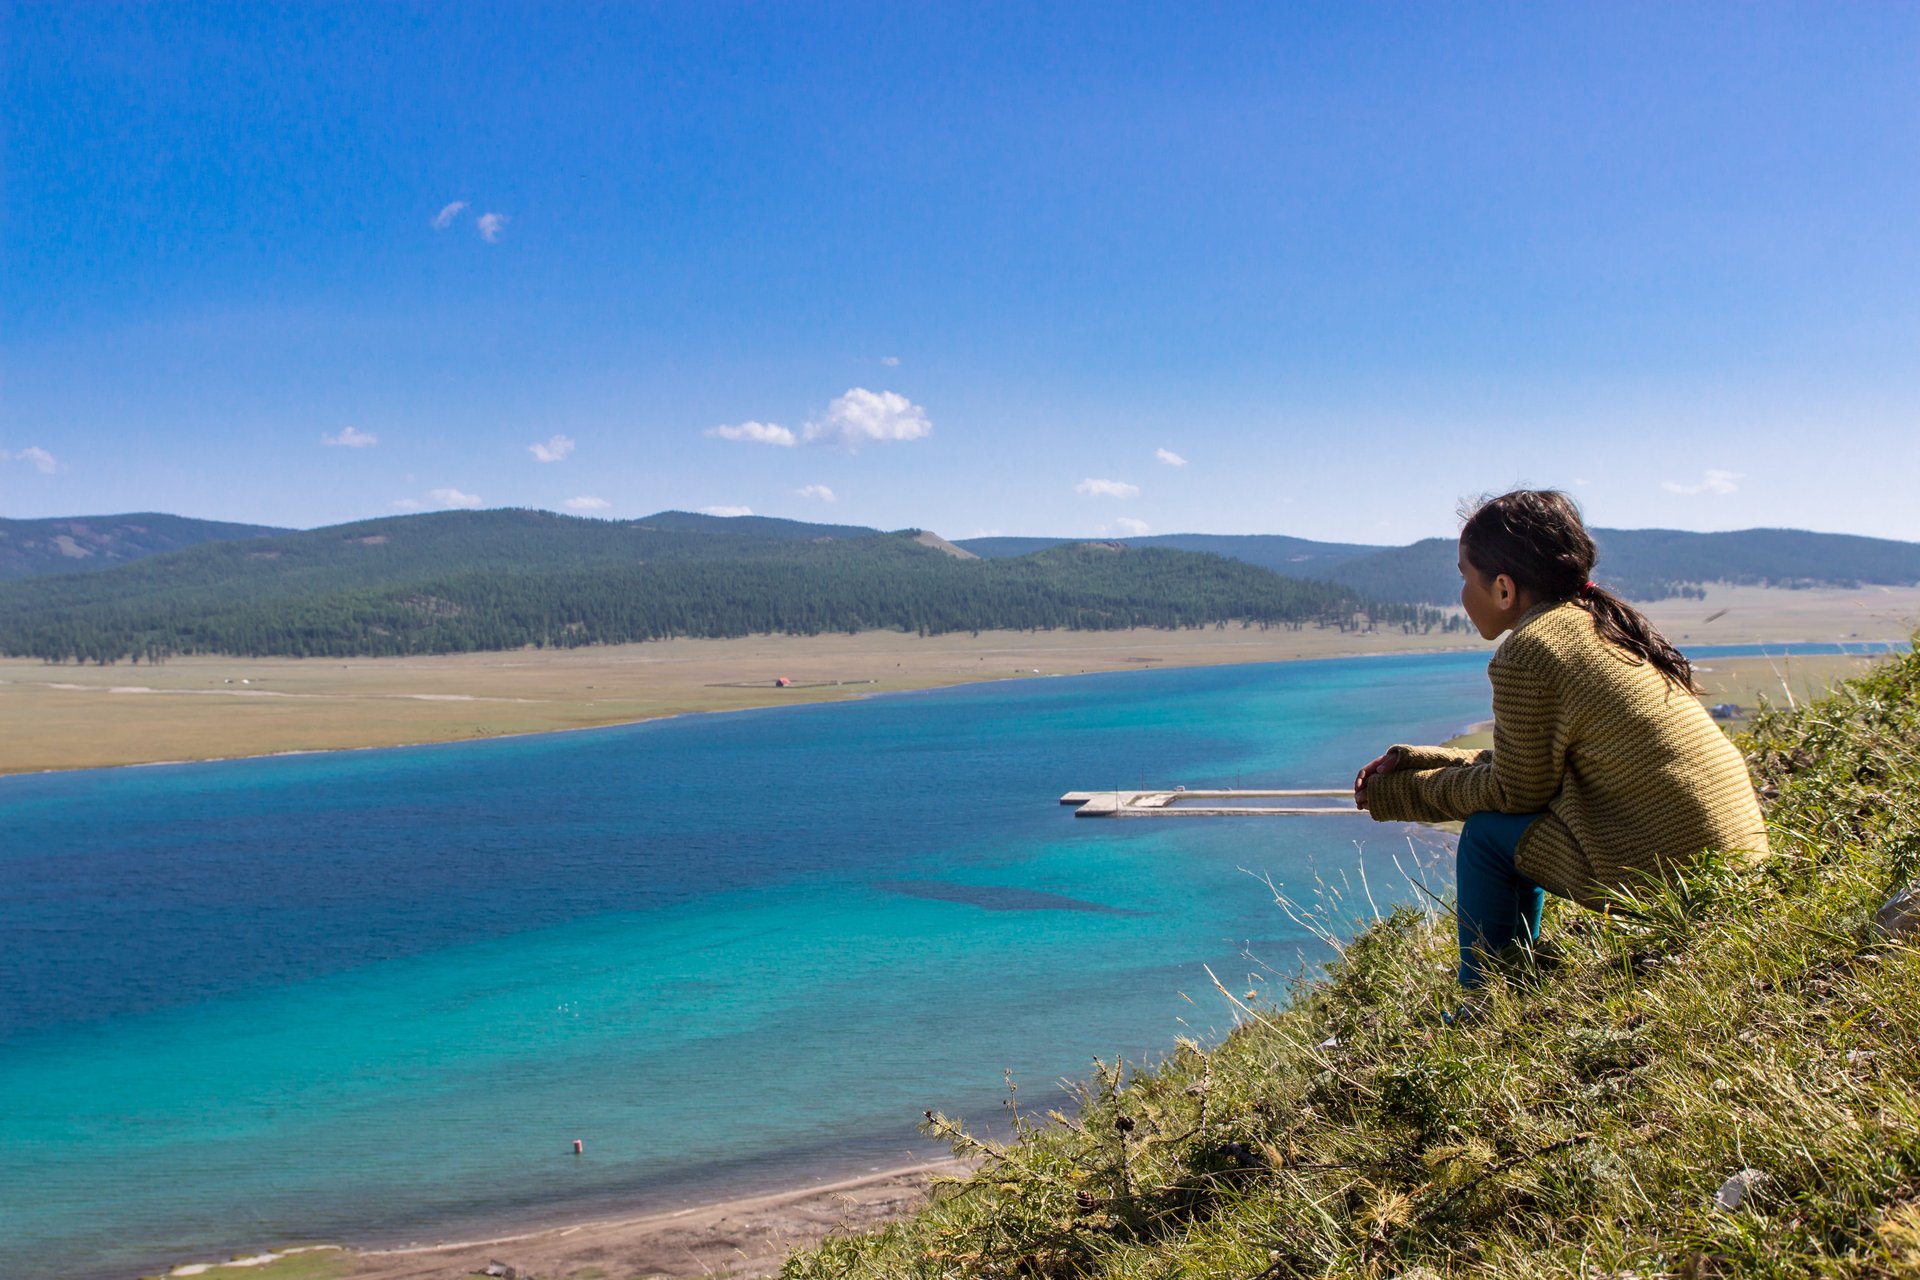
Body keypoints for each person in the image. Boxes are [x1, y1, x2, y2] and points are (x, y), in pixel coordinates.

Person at [1353, 489, 1768, 988]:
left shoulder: (1532, 649)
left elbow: (1515, 792)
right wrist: (1416, 761)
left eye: (1464, 577)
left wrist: (1401, 792)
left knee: (1486, 835)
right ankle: (1513, 974)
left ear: (1503, 589)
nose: (1461, 594)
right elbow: (1528, 766)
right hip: (1735, 870)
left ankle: (1484, 998)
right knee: (1510, 819)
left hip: (1674, 881)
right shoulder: (1601, 624)